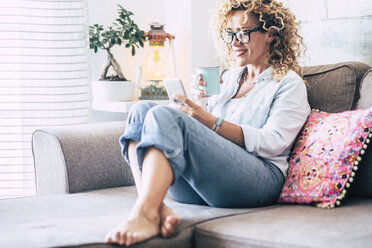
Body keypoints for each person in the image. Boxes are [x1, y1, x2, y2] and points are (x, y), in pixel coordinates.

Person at [105, 0, 311, 246]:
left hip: (260, 180)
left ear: (271, 35)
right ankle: (152, 206)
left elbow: (273, 143)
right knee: (142, 111)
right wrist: (198, 106)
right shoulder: (230, 77)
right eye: (230, 33)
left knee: (164, 116)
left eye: (243, 33)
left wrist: (208, 119)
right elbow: (206, 139)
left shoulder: (288, 83)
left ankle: (144, 215)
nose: (234, 42)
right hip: (212, 181)